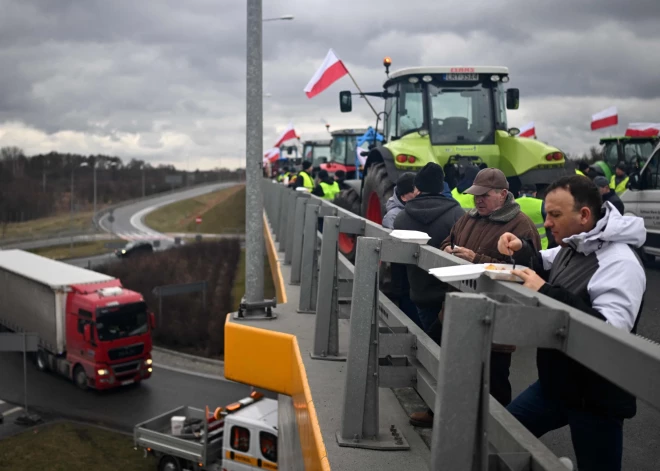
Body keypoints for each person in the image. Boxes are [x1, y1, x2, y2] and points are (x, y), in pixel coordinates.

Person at [497, 175, 646, 471]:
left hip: (596, 398)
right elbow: (542, 260)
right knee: (498, 436)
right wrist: (519, 247)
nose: (547, 223)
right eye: (546, 215)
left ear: (585, 215)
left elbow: (609, 334)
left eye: (555, 215)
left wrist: (545, 291)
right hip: (557, 385)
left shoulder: (620, 263)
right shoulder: (576, 243)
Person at [437, 168, 541, 407]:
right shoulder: (468, 217)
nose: (478, 199)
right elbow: (448, 240)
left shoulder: (521, 225)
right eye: (476, 194)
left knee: (495, 382)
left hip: (498, 317)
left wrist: (475, 258)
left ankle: (495, 434)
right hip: (461, 311)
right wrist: (446, 250)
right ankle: (445, 417)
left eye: (484, 195)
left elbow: (525, 270)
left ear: (503, 194)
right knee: (454, 370)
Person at [393, 163, 464, 331]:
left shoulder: (401, 218)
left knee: (425, 340)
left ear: (417, 187)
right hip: (450, 295)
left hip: (419, 293)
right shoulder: (457, 215)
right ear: (441, 186)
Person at [516, 183, 548, 249]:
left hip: (519, 246)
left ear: (519, 193)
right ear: (535, 193)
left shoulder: (512, 205)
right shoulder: (540, 203)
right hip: (541, 245)